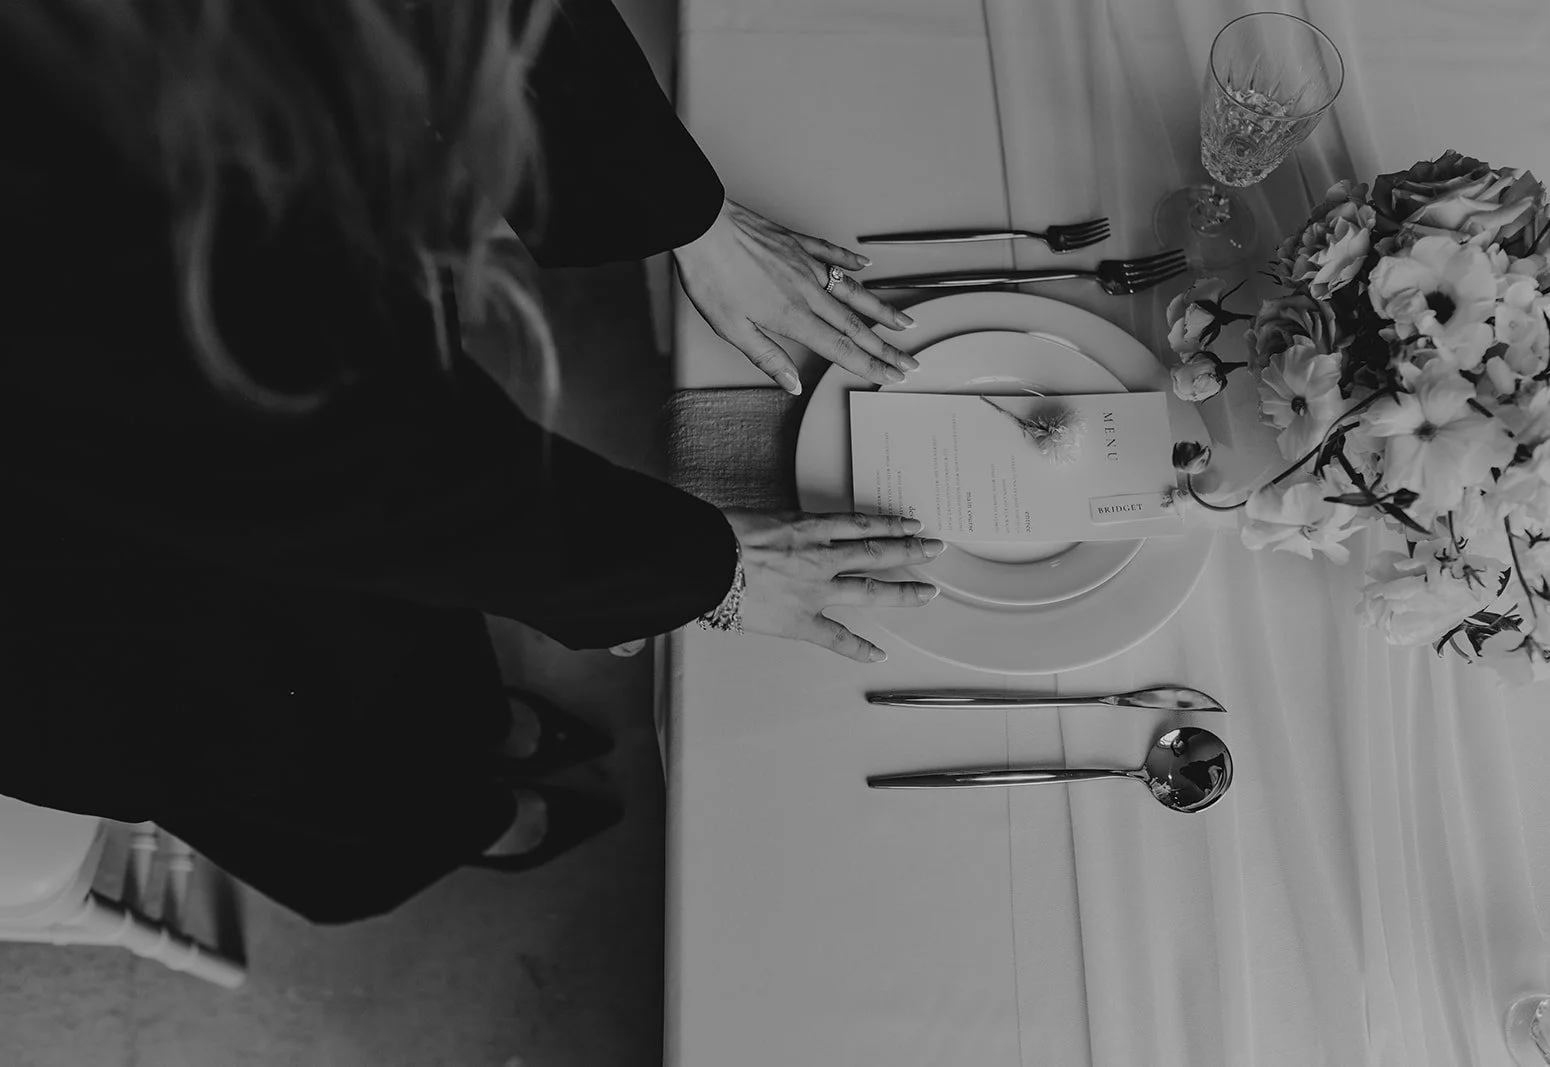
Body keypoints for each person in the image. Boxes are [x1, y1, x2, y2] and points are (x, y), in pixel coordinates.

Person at [0, 0, 944, 924]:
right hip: (77, 583)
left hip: (268, 407)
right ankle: (467, 823)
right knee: (274, 734)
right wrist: (698, 572)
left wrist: (683, 213)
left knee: (402, 636)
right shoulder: (75, 173)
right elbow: (350, 472)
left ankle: (476, 726)